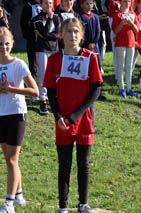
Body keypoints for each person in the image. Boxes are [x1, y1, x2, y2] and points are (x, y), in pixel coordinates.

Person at [43, 18, 102, 213]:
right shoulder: (54, 60)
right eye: (68, 31)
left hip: (83, 119)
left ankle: (83, 204)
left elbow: (95, 91)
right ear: (61, 35)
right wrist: (58, 116)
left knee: (83, 164)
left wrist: (75, 116)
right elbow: (50, 91)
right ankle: (63, 207)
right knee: (64, 164)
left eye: (76, 31)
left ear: (82, 35)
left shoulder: (90, 57)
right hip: (62, 121)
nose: (73, 35)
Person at [0, 27, 39, 213]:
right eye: (0, 44)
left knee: (13, 160)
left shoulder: (19, 64)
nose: (3, 47)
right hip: (1, 114)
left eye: (6, 44)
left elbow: (35, 91)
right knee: (9, 160)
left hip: (16, 114)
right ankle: (19, 194)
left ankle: (9, 203)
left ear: (12, 44)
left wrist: (12, 89)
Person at [32, 0, 61, 114]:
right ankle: (42, 100)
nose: (48, 5)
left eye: (50, 3)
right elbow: (43, 32)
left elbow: (58, 34)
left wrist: (48, 35)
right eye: (45, 3)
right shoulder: (37, 18)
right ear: (41, 5)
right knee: (43, 74)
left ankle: (55, 98)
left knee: (56, 74)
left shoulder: (57, 17)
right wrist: (49, 19)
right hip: (42, 50)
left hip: (55, 49)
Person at [112, 0, 139, 98]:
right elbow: (115, 30)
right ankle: (121, 88)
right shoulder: (117, 15)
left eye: (128, 1)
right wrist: (122, 24)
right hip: (120, 43)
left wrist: (131, 23)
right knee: (121, 65)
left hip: (131, 43)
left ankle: (129, 88)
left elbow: (137, 30)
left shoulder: (133, 14)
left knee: (129, 66)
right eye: (125, 1)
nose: (127, 3)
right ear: (121, 3)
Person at [20, 0, 42, 80]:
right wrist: (29, 36)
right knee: (32, 62)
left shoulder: (46, 3)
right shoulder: (28, 6)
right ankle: (32, 81)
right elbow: (23, 23)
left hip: (45, 42)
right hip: (32, 39)